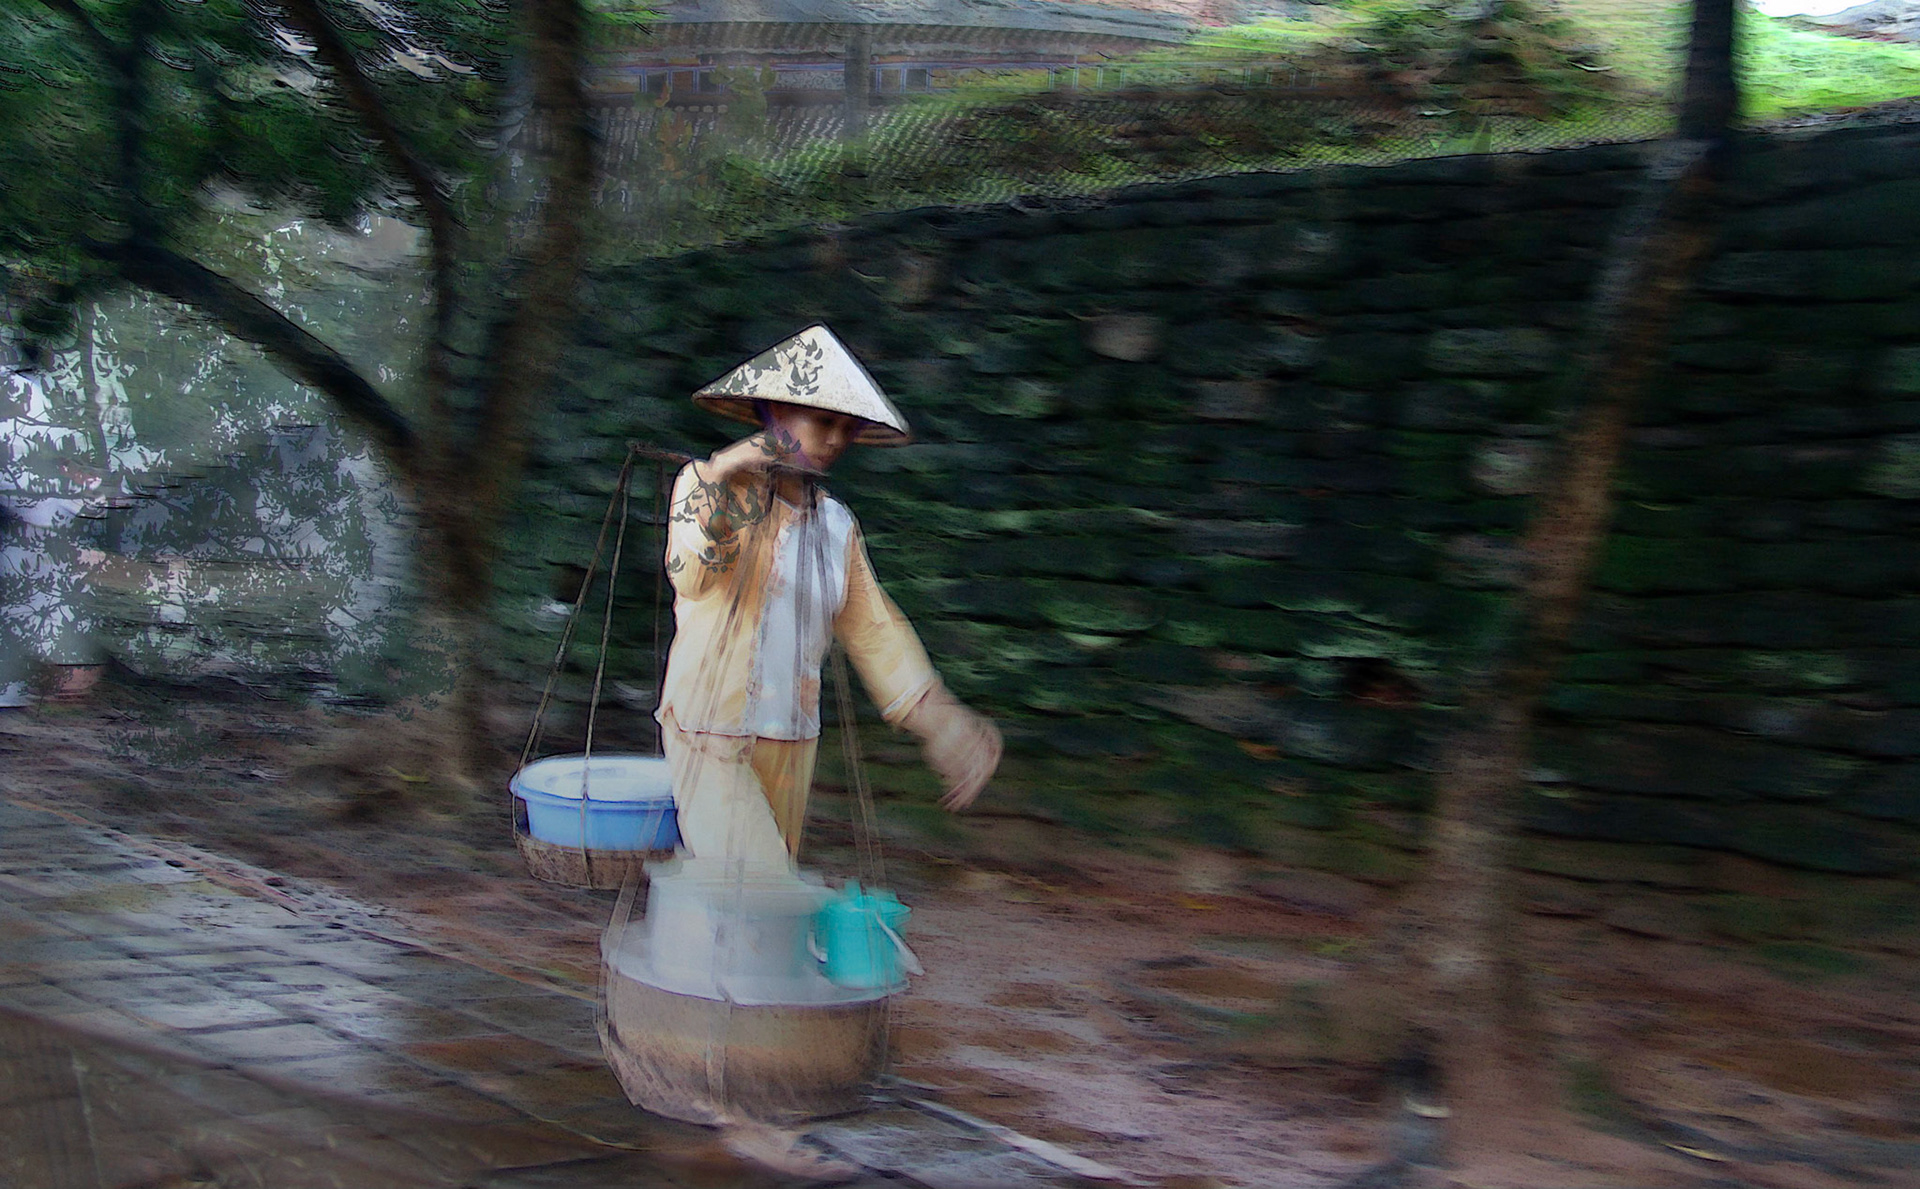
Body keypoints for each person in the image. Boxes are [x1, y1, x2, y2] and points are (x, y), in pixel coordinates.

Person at [655, 323, 1002, 867]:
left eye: (849, 427)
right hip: (708, 734)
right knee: (760, 887)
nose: (837, 440)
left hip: (792, 740)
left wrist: (943, 721)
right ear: (772, 413)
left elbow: (874, 631)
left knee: (750, 902)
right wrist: (723, 471)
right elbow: (692, 577)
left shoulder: (837, 527)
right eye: (823, 421)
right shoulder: (703, 485)